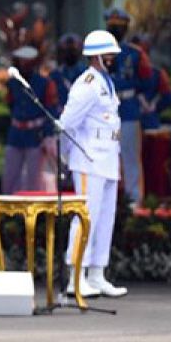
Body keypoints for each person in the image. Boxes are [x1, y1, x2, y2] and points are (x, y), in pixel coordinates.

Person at [60, 30, 129, 298]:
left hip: (108, 156)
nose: (114, 58)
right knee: (85, 217)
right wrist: (72, 155)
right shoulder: (87, 83)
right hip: (90, 158)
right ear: (98, 56)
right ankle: (75, 278)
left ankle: (97, 274)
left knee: (105, 218)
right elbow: (66, 123)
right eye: (110, 54)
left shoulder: (105, 81)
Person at [104, 8, 152, 205]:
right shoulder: (100, 51)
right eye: (112, 27)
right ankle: (109, 199)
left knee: (130, 156)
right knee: (105, 156)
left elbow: (147, 80)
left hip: (128, 109)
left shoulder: (134, 53)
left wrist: (143, 104)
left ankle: (133, 201)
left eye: (119, 27)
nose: (116, 31)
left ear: (125, 29)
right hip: (106, 110)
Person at [2, 46, 59, 194]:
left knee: (34, 178)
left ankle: (34, 214)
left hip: (35, 134)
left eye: (27, 61)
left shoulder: (44, 83)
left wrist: (48, 134)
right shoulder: (13, 82)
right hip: (16, 134)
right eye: (21, 61)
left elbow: (50, 110)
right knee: (10, 176)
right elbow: (10, 104)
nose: (23, 64)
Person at [50, 34, 86, 109]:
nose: (70, 53)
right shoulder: (55, 75)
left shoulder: (87, 73)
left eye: (73, 50)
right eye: (66, 50)